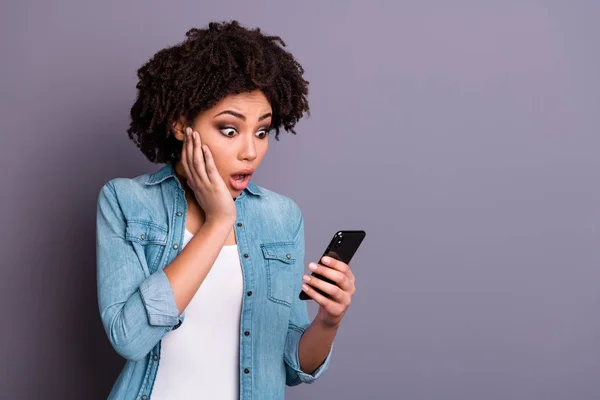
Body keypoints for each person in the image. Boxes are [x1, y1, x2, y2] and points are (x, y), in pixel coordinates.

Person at [96, 20, 356, 400]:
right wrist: (219, 222)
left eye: (262, 131)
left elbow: (291, 366)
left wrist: (329, 321)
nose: (250, 151)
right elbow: (130, 338)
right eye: (230, 130)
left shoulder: (281, 218)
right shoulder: (126, 202)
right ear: (182, 124)